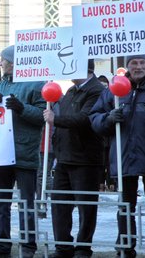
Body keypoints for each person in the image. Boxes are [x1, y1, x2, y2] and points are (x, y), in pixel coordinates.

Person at [91, 54, 145, 258]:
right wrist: (108, 119)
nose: (139, 66)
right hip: (123, 157)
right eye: (134, 63)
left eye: (143, 63)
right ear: (127, 66)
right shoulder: (114, 90)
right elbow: (95, 117)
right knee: (125, 207)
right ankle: (125, 247)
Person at [0, 45, 46, 258]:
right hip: (2, 153)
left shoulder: (37, 84)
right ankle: (1, 245)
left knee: (26, 203)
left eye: (3, 60)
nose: (0, 63)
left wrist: (21, 108)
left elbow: (42, 116)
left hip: (24, 153)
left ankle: (28, 246)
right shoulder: (0, 84)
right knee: (0, 202)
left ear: (13, 62)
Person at [43, 60, 106, 258]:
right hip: (64, 157)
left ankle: (83, 247)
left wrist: (55, 119)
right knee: (59, 205)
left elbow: (85, 119)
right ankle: (63, 246)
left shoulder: (97, 90)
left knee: (85, 207)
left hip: (85, 158)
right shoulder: (71, 91)